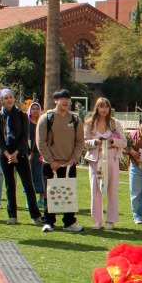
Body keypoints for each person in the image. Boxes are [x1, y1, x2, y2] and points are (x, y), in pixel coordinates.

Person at [37, 89, 84, 233]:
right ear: (55, 100)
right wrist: (51, 161)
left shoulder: (75, 120)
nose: (65, 101)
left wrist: (74, 159)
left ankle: (69, 222)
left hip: (69, 164)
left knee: (69, 192)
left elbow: (79, 142)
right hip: (50, 164)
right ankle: (48, 222)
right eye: (62, 98)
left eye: (68, 99)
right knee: (50, 192)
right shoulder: (46, 118)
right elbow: (41, 141)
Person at [0, 88, 42, 226]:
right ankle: (12, 215)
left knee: (28, 184)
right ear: (1, 100)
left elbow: (24, 137)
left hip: (20, 154)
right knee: (10, 185)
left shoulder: (21, 115)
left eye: (11, 97)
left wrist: (15, 154)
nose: (9, 100)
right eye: (6, 98)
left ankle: (36, 215)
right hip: (5, 155)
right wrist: (8, 155)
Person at [84, 96, 126, 230]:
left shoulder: (115, 123)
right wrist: (94, 142)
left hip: (112, 157)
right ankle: (97, 220)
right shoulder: (90, 123)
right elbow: (84, 142)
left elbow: (124, 142)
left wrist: (112, 140)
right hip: (96, 158)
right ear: (97, 108)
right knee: (96, 190)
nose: (104, 109)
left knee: (112, 189)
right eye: (101, 106)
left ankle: (111, 220)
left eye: (106, 106)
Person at [26, 101, 46, 210]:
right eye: (33, 109)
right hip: (29, 153)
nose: (35, 111)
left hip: (40, 153)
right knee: (30, 176)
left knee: (41, 176)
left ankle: (41, 199)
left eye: (37, 109)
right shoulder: (27, 123)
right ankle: (30, 199)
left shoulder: (42, 122)